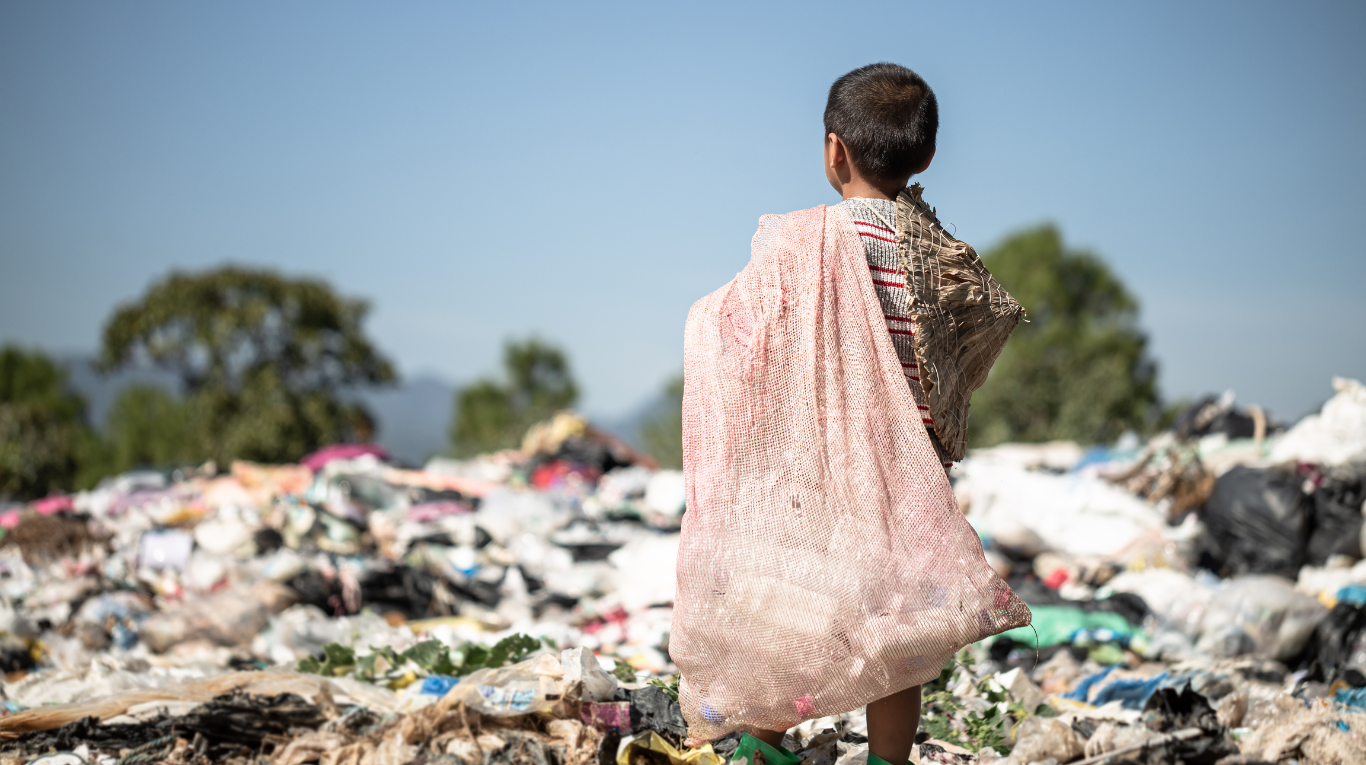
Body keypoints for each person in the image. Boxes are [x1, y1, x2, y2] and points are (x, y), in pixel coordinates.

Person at [672, 63, 1030, 765]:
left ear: (834, 151)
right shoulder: (941, 256)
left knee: (790, 608)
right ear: (926, 156)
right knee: (898, 629)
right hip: (906, 475)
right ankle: (887, 761)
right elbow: (974, 335)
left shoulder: (798, 244)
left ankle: (762, 749)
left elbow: (743, 331)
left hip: (814, 471)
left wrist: (700, 320)